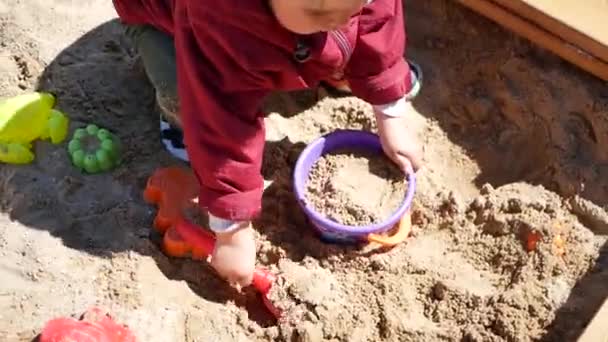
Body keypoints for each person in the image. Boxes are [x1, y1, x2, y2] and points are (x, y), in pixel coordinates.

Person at [112, 0, 423, 288]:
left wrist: (389, 108)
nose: (339, 20)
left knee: (342, 36)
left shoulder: (330, 6)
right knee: (186, 95)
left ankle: (322, 57)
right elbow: (219, 113)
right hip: (170, 26)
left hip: (270, 28)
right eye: (317, 12)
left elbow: (378, 19)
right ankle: (178, 122)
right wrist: (230, 228)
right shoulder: (219, 13)